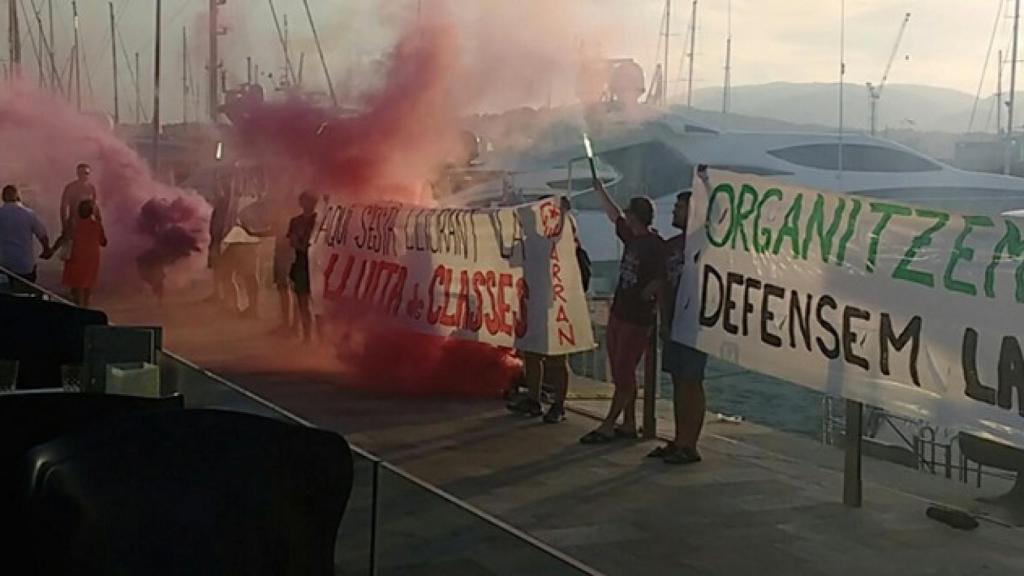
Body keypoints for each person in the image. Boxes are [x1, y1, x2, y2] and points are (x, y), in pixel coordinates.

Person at [580, 183, 664, 444]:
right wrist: (600, 191)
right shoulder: (633, 238)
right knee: (621, 370)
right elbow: (613, 214)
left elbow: (666, 274)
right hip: (620, 311)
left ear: (635, 216)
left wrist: (652, 289)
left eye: (629, 214)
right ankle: (628, 422)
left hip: (636, 317)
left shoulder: (653, 244)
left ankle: (608, 424)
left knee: (624, 371)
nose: (625, 217)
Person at [647, 184, 709, 465]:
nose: (673, 210)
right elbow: (664, 283)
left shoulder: (704, 246)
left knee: (691, 381)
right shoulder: (671, 246)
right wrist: (662, 318)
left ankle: (689, 443)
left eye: (680, 207)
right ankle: (679, 437)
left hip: (694, 324)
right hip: (672, 323)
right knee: (677, 381)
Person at [55, 199, 107, 307]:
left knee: (77, 287)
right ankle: (85, 308)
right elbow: (104, 242)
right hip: (91, 260)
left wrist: (51, 250)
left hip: (76, 259)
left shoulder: (74, 224)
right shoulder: (96, 225)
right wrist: (99, 220)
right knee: (87, 287)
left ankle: (78, 308)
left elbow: (63, 238)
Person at [0, 185, 52, 286]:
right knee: (25, 294)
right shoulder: (28, 214)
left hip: (3, 264)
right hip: (24, 266)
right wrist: (46, 250)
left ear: (3, 197)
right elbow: (42, 235)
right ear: (18, 196)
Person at [287, 190, 318, 342]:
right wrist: (304, 247)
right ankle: (307, 337)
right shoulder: (295, 221)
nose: (308, 204)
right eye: (305, 200)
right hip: (302, 264)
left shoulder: (320, 221)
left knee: (318, 305)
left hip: (317, 265)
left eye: (311, 201)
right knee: (302, 303)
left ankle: (321, 339)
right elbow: (292, 241)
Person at [59, 163, 99, 259]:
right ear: (77, 174)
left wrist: (98, 224)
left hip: (87, 225)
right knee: (70, 255)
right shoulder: (70, 187)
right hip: (73, 223)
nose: (84, 176)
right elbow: (63, 207)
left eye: (86, 173)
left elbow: (94, 206)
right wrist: (64, 225)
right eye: (82, 173)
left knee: (86, 254)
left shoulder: (91, 188)